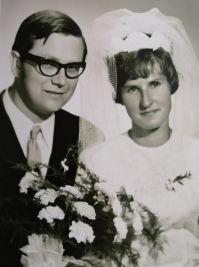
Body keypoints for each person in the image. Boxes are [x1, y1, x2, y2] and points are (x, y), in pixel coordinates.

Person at [79, 9, 199, 266]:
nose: (146, 101)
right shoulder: (95, 160)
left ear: (171, 84)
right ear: (119, 95)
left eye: (155, 84)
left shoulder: (196, 155)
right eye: (133, 88)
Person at [0, 10, 87, 267]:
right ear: (17, 64)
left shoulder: (87, 135)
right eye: (48, 63)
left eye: (72, 68)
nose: (61, 81)